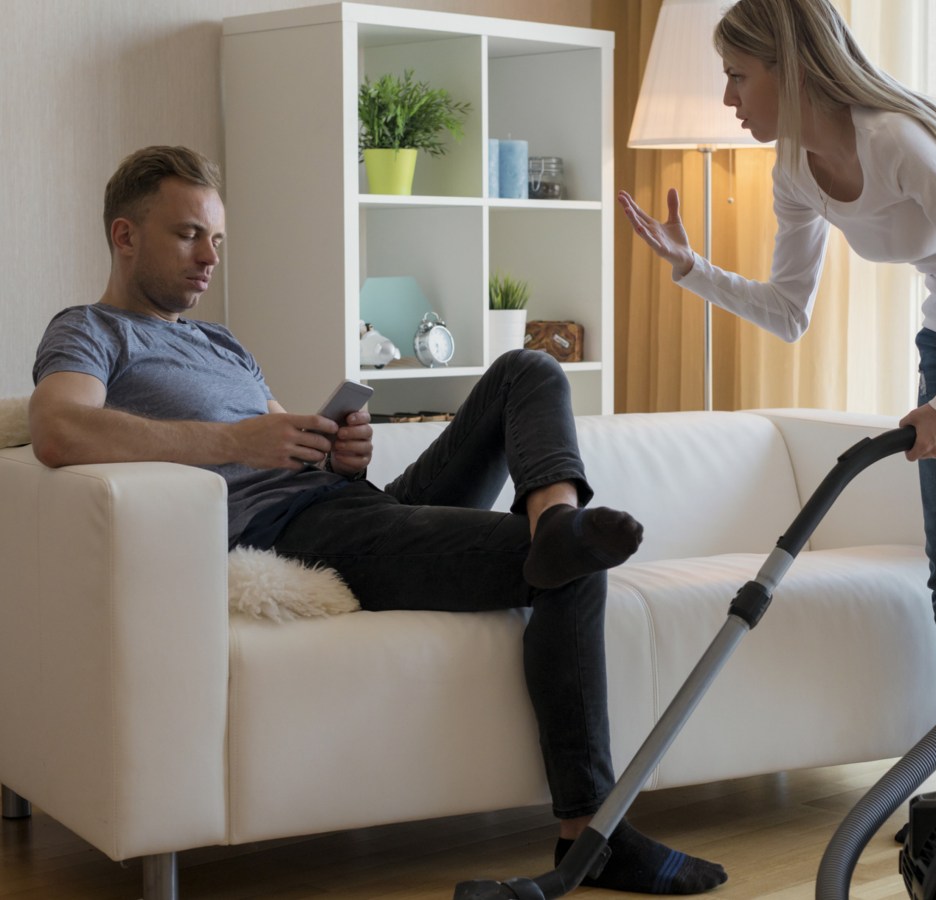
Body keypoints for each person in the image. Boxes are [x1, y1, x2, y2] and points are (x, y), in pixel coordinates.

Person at [29, 145, 727, 896]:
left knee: (529, 369)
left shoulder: (219, 340)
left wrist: (339, 451)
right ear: (125, 235)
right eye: (189, 235)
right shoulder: (91, 331)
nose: (209, 258)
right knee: (573, 566)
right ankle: (591, 836)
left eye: (218, 241)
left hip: (353, 504)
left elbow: (283, 446)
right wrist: (235, 443)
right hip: (302, 536)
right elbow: (59, 429)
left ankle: (555, 519)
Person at [619, 0, 936, 779]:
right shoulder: (794, 167)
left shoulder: (896, 140)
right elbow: (791, 312)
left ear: (788, 70)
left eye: (736, 77)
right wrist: (694, 272)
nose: (729, 100)